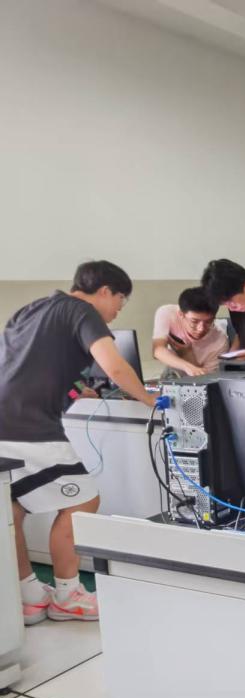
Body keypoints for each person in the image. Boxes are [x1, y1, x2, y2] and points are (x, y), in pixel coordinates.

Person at [0, 261, 156, 623]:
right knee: (84, 499)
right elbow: (114, 366)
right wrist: (149, 398)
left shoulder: (31, 309)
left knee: (12, 512)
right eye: (120, 301)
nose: (117, 311)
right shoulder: (81, 311)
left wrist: (74, 390)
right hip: (29, 426)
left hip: (5, 421)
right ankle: (68, 595)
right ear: (104, 291)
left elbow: (22, 366)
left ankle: (29, 597)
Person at [151, 287, 229, 377]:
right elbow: (157, 351)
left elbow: (205, 379)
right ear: (181, 314)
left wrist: (187, 353)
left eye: (208, 322)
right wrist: (187, 366)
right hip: (172, 374)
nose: (201, 328)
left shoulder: (220, 341)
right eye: (194, 321)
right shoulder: (168, 313)